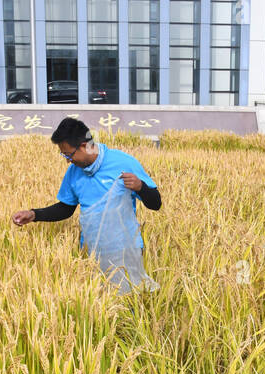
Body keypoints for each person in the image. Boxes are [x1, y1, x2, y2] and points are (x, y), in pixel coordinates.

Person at [11, 118, 162, 290]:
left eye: (69, 154)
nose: (68, 160)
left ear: (84, 145)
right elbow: (66, 208)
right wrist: (34, 214)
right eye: (64, 155)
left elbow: (156, 203)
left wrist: (141, 187)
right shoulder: (74, 173)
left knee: (129, 304)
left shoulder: (124, 162)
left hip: (125, 250)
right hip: (92, 253)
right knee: (98, 308)